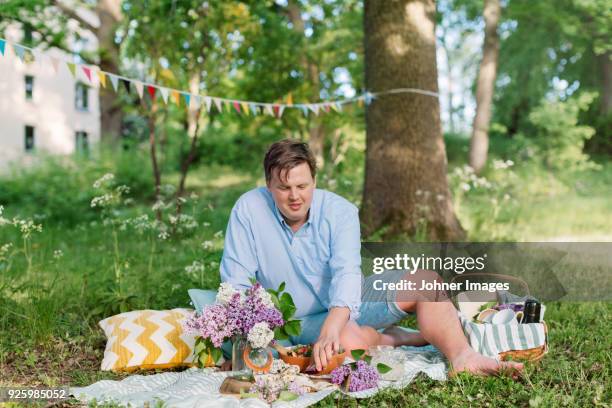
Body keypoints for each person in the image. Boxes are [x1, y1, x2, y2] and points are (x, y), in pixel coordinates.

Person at [220, 139, 523, 376]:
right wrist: (248, 341)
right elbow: (236, 281)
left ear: (315, 179)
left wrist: (334, 325)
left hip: (351, 300)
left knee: (427, 282)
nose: (295, 196)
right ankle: (396, 338)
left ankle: (463, 356)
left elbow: (348, 273)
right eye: (283, 188)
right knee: (347, 346)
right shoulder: (248, 209)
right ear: (268, 185)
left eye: (302, 185)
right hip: (297, 320)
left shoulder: (341, 212)